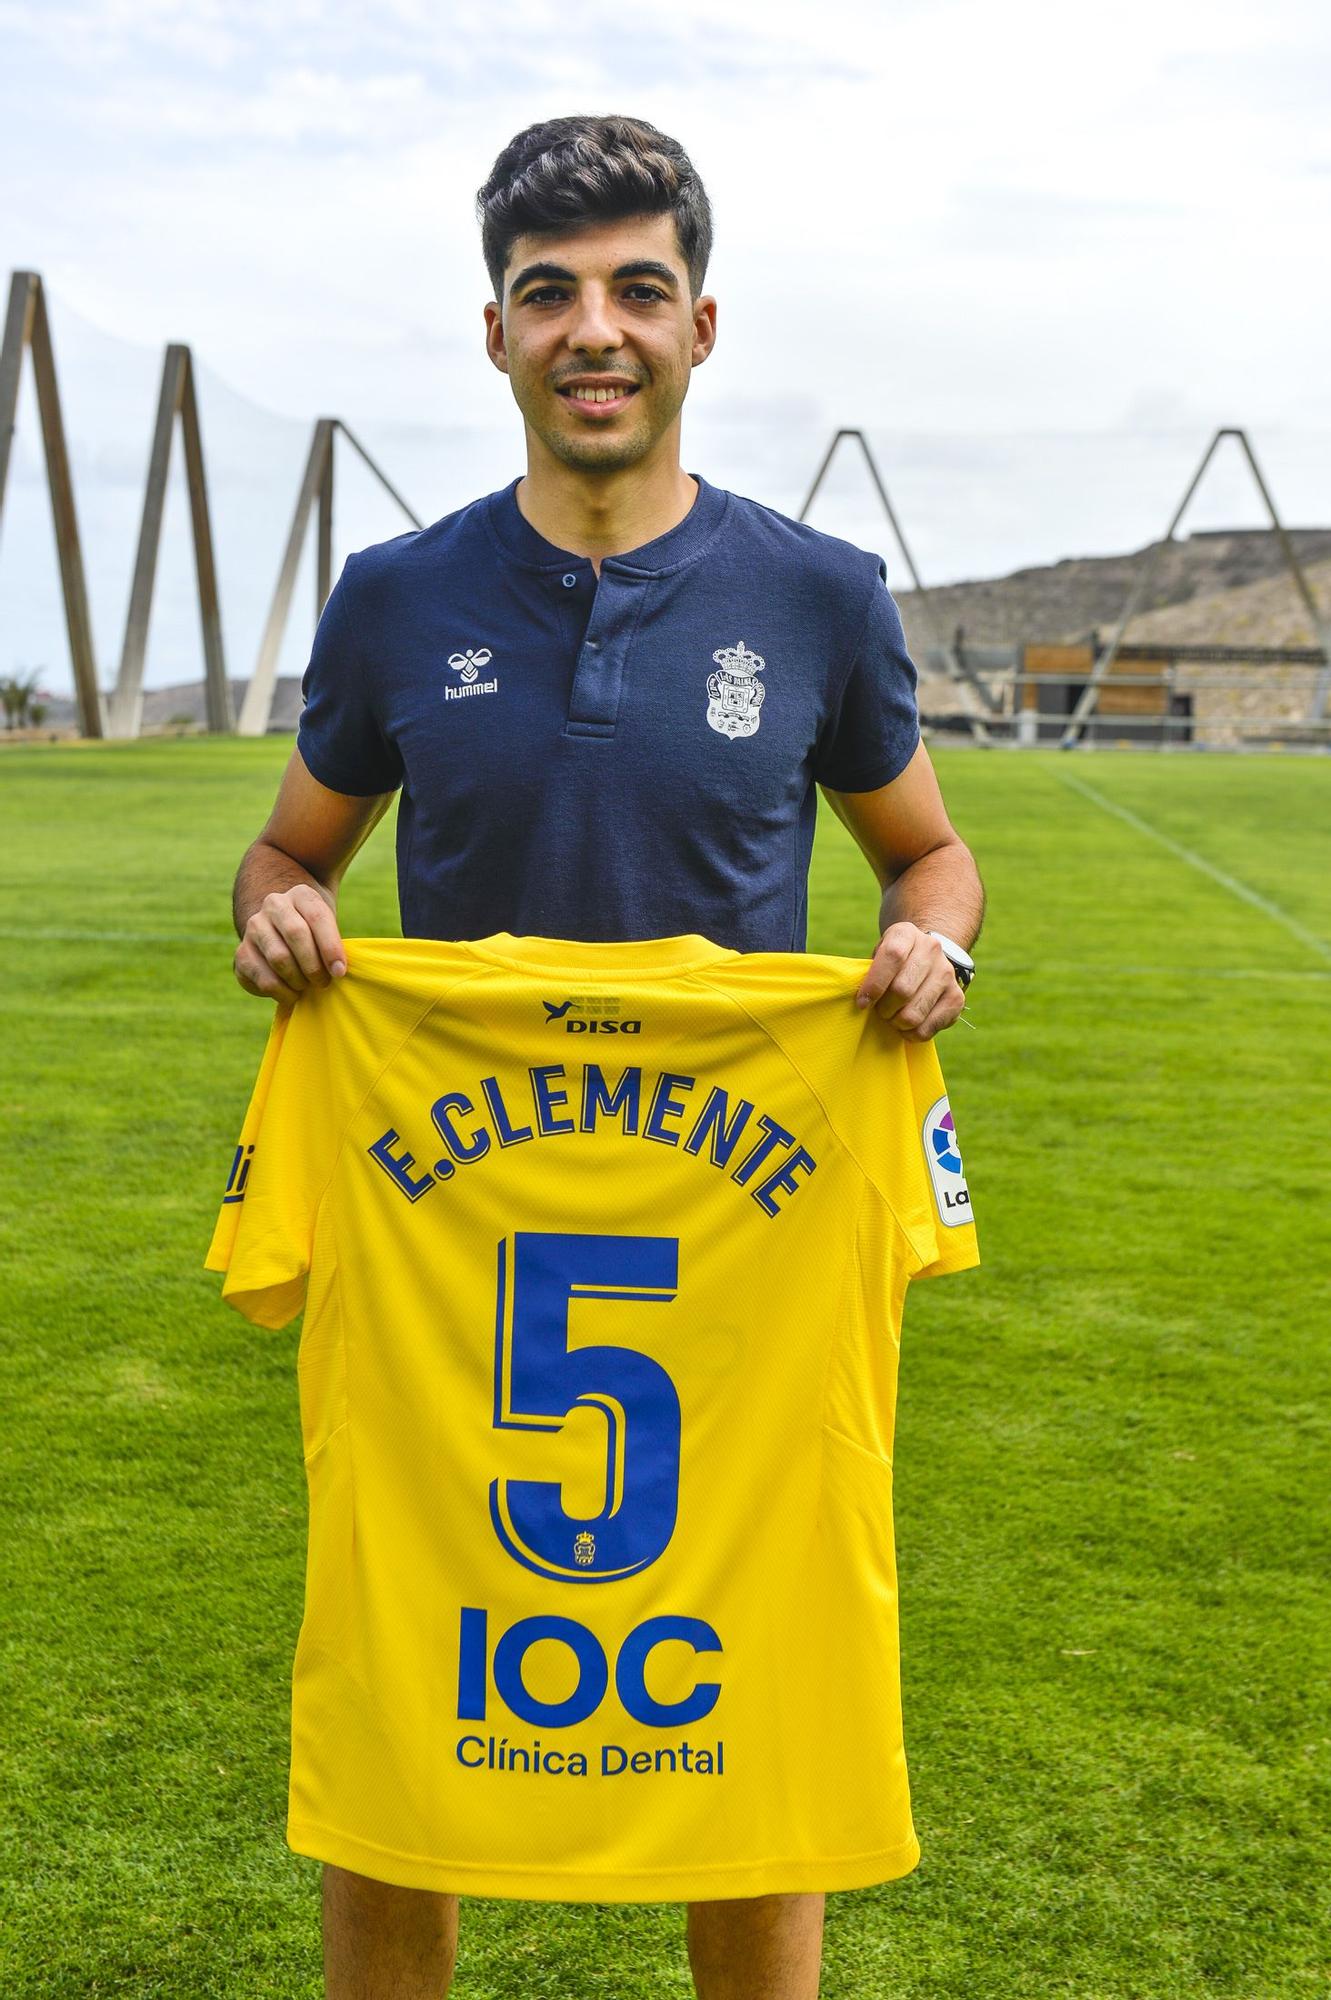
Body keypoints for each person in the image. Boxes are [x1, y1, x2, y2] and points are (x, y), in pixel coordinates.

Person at [228, 112, 984, 2000]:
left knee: (755, 1651)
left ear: (702, 329)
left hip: (735, 1239)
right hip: (450, 1238)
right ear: (492, 332)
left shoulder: (814, 593)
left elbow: (932, 853)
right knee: (419, 1643)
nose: (595, 328)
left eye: (637, 290)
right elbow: (287, 850)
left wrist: (926, 944)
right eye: (547, 292)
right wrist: (280, 917)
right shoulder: (401, 595)